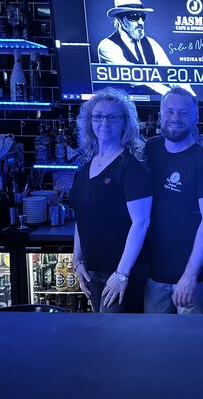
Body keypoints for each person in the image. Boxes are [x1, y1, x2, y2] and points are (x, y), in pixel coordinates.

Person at [70, 87, 152, 313]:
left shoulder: (132, 167)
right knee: (101, 331)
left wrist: (122, 274)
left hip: (121, 273)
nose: (104, 122)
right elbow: (81, 215)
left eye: (112, 117)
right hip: (92, 270)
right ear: (90, 122)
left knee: (114, 333)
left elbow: (141, 222)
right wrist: (77, 261)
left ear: (125, 123)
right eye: (98, 116)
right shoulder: (85, 165)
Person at [143, 86, 203, 313]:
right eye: (169, 111)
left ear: (195, 118)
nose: (175, 118)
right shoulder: (150, 148)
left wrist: (190, 275)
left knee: (190, 336)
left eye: (183, 113)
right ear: (160, 115)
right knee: (152, 336)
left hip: (192, 278)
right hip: (154, 274)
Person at [97, 0, 175, 96]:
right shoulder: (107, 46)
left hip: (154, 103)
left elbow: (171, 74)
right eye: (134, 16)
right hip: (120, 104)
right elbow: (135, 77)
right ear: (120, 19)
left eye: (142, 16)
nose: (140, 22)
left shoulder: (152, 43)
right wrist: (170, 95)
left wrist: (190, 97)